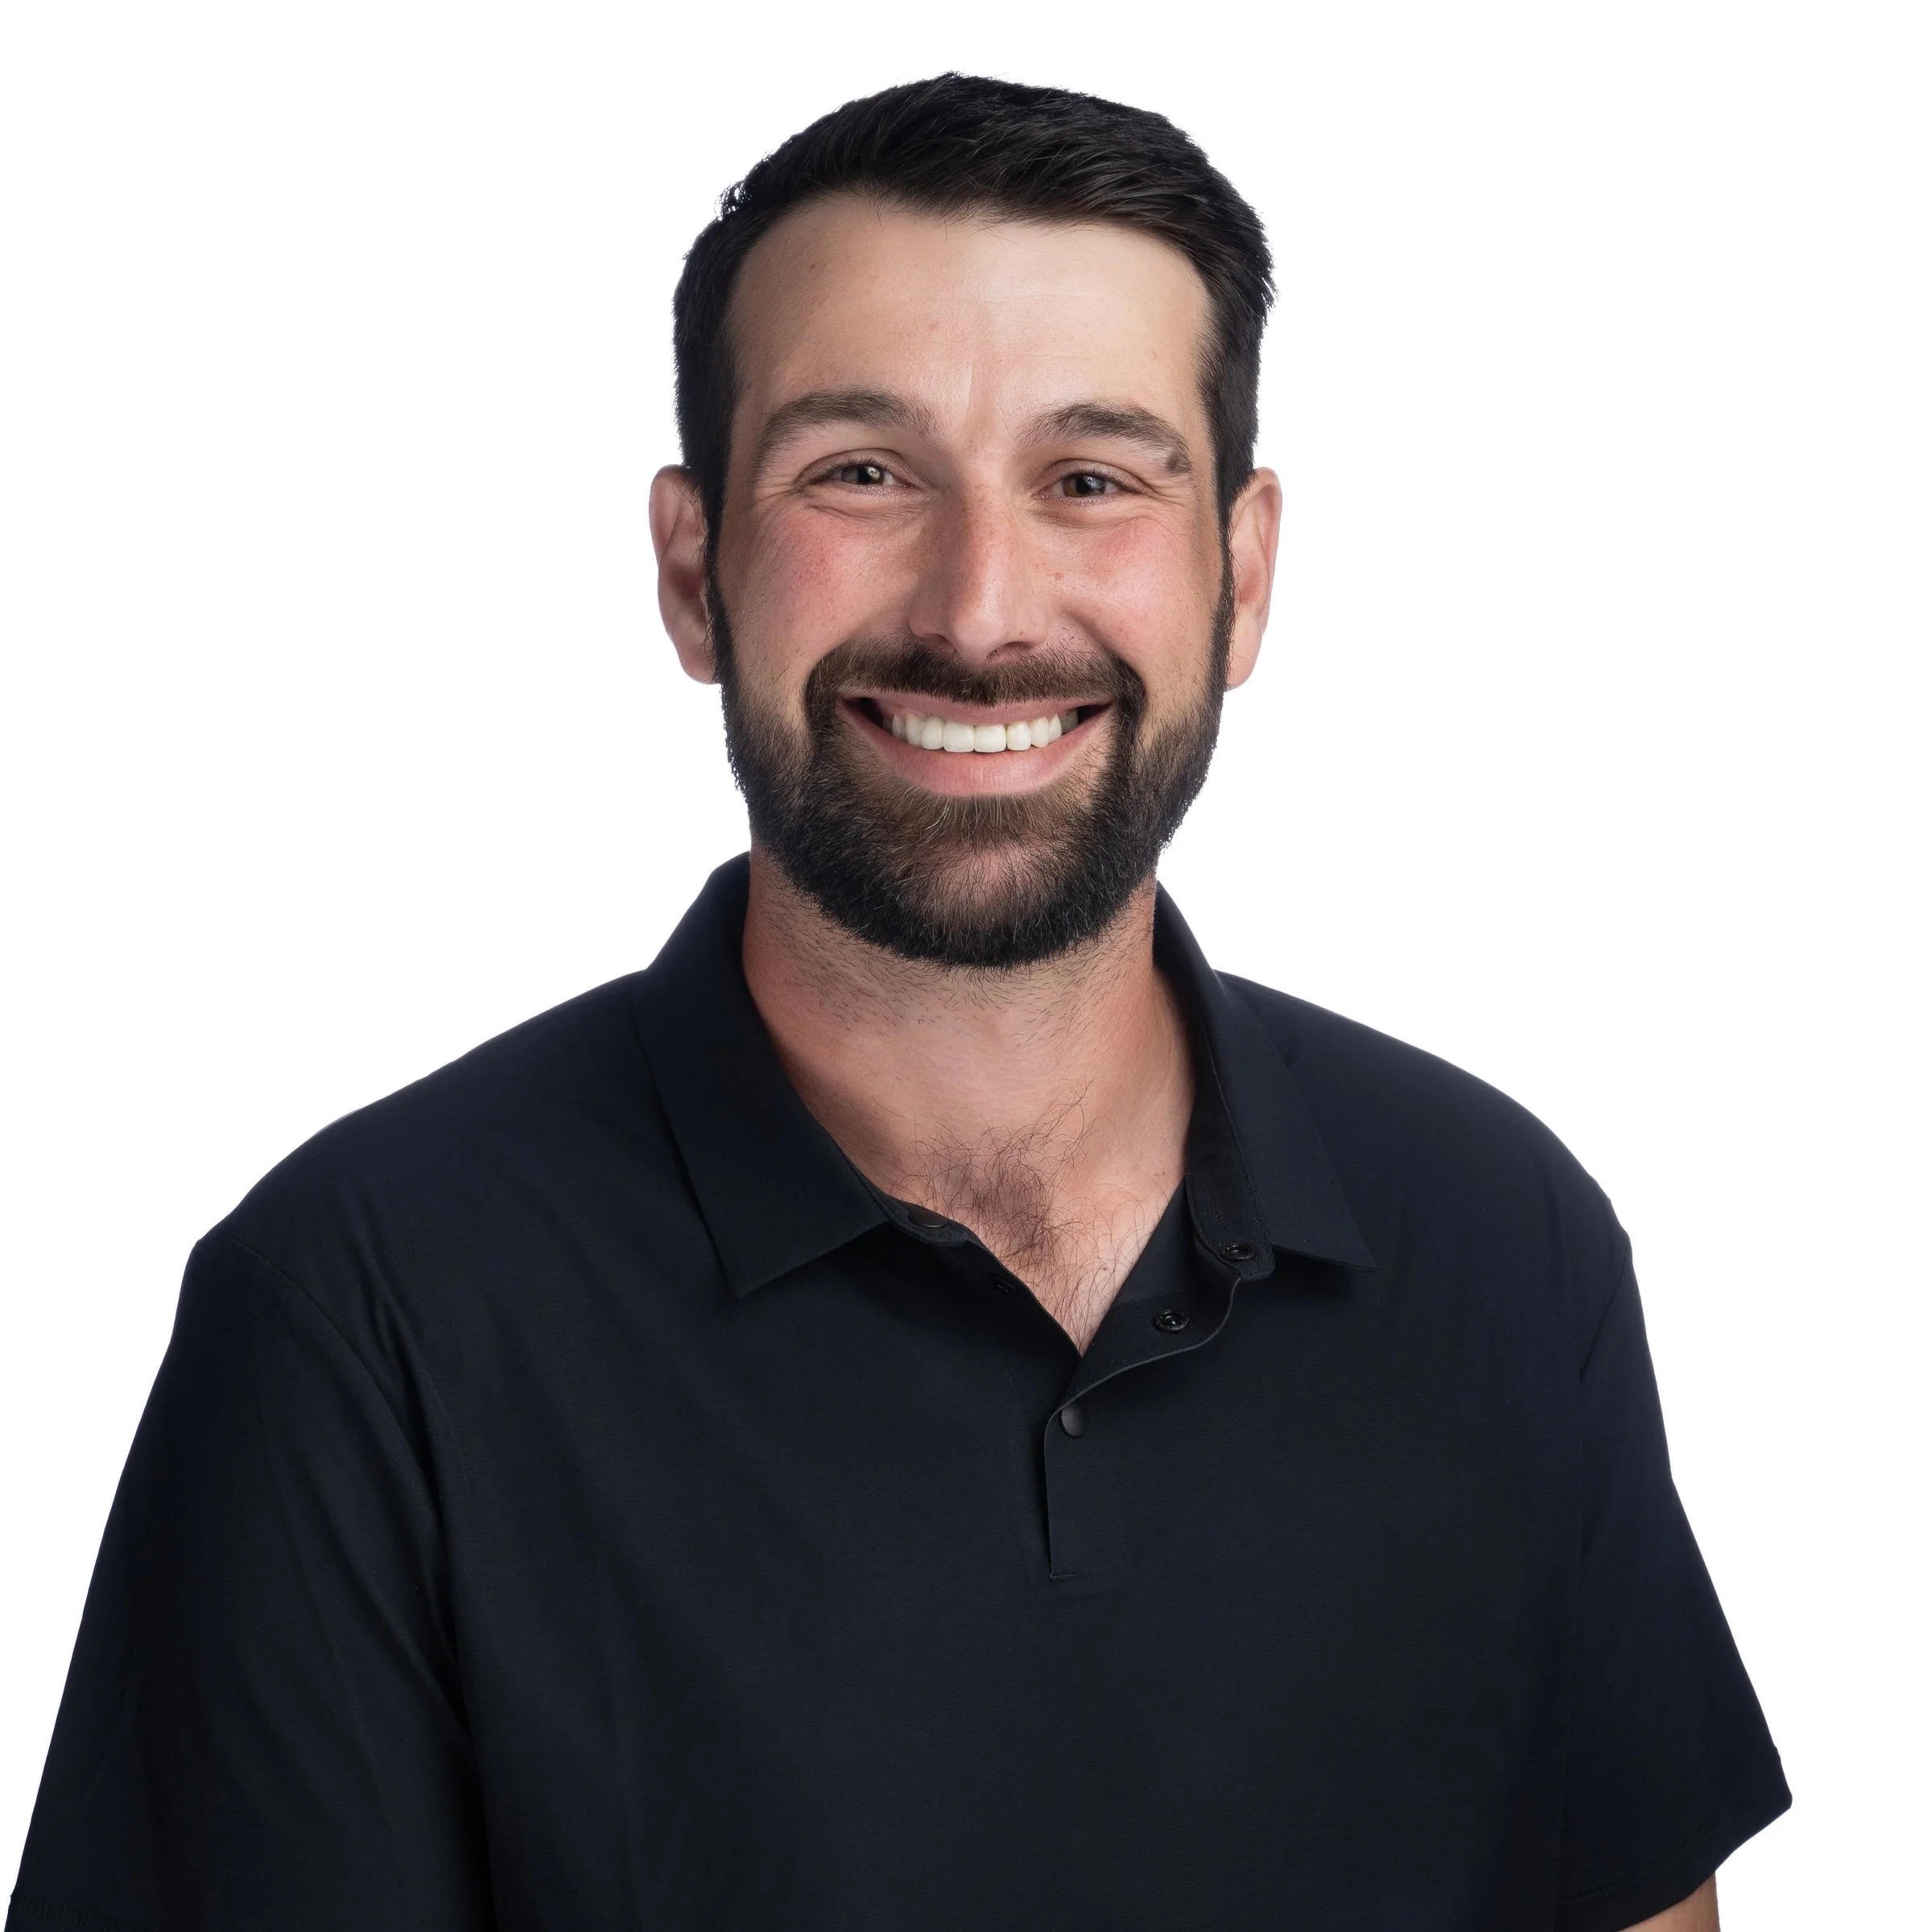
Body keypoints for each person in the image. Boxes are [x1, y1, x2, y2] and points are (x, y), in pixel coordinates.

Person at [7, 74, 1788, 1932]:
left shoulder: (1501, 1242)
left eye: (1093, 479)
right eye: (862, 472)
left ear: (1242, 577)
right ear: (694, 569)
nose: (981, 606)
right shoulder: (360, 1313)